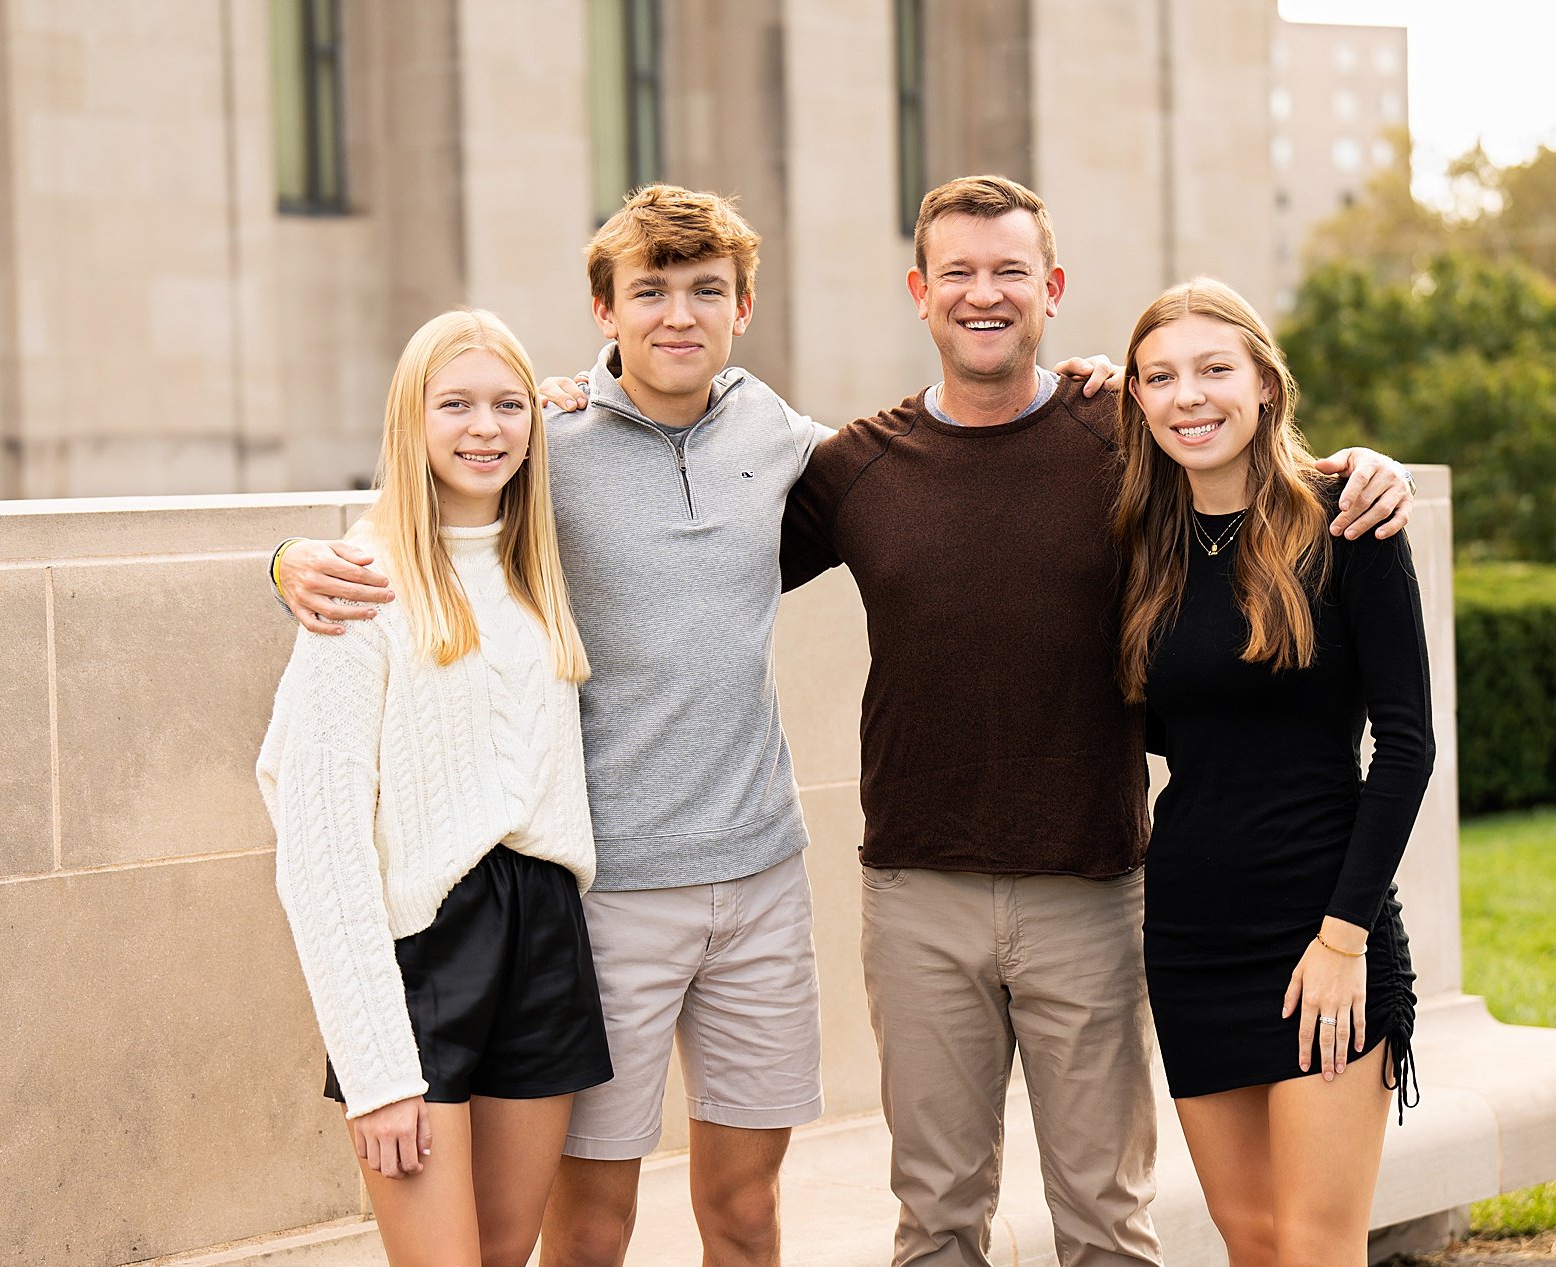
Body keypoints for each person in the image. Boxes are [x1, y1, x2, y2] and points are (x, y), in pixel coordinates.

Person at [272, 185, 1126, 1267]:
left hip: (761, 881)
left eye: (705, 291)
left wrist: (1096, 388)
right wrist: (289, 562)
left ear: (743, 306)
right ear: (604, 309)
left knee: (748, 1211)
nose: (678, 315)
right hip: (606, 897)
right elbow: (427, 516)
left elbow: (939, 464)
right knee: (589, 1225)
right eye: (650, 292)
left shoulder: (780, 437)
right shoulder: (548, 441)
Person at [778, 176, 1416, 1267]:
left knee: (1111, 1224)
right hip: (922, 891)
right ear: (919, 291)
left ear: (1052, 288)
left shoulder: (1120, 433)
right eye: (959, 273)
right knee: (935, 1218)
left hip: (1097, 887)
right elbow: (694, 543)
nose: (985, 294)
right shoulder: (855, 467)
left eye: (1010, 270)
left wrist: (1369, 467)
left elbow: (1252, 485)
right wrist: (575, 409)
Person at [256, 308, 612, 1267]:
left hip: (545, 935)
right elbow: (318, 846)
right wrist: (374, 1069)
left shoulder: (536, 567)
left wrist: (561, 390)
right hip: (424, 951)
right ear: (409, 420)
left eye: (507, 405)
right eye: (453, 405)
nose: (484, 427)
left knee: (504, 1251)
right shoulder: (359, 582)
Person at [1114, 277, 1435, 1267]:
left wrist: (1342, 937)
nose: (1189, 396)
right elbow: (1169, 734)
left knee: (1312, 1247)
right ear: (1134, 398)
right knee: (1248, 1240)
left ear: (1262, 382)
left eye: (1214, 369)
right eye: (1159, 377)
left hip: (1320, 934)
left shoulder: (1347, 521)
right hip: (1189, 936)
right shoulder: (1145, 549)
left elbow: (1408, 742)